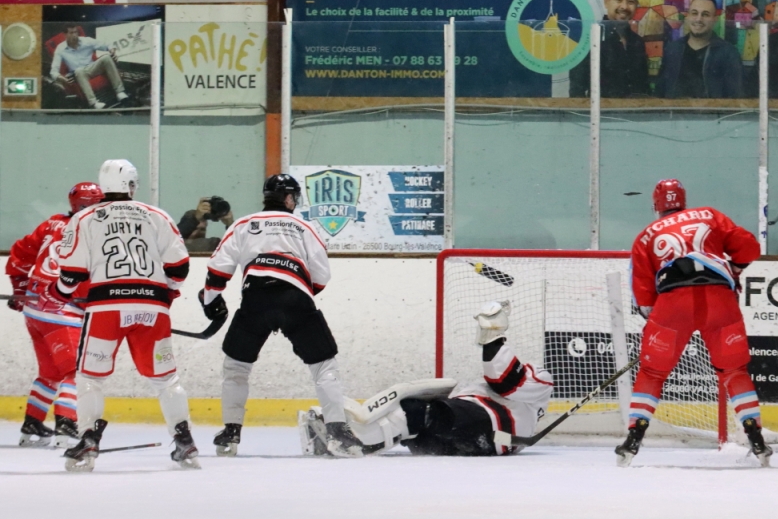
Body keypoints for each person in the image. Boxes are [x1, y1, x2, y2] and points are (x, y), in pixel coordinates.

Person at [202, 173, 364, 458]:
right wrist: (298, 294)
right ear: (289, 198)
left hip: (255, 298)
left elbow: (218, 269)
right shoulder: (303, 226)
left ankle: (230, 432)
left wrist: (211, 300)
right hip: (295, 297)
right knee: (323, 365)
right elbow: (322, 275)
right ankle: (338, 432)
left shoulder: (244, 224)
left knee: (236, 367)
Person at [50, 159, 198, 472]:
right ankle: (185, 441)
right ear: (131, 185)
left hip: (106, 307)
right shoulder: (157, 215)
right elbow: (179, 268)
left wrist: (61, 292)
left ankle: (88, 438)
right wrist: (164, 295)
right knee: (166, 379)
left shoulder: (85, 217)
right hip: (152, 307)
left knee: (90, 377)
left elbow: (72, 273)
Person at [616, 179, 771, 467]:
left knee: (652, 373)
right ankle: (756, 436)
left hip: (673, 305)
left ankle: (633, 438)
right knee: (734, 371)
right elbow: (749, 247)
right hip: (719, 300)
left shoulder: (645, 237)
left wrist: (657, 325)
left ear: (656, 205)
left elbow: (644, 297)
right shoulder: (710, 215)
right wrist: (735, 267)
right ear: (683, 200)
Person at [299, 301, 554, 457]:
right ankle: (338, 439)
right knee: (417, 426)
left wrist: (493, 333)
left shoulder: (541, 380)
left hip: (493, 429)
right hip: (481, 439)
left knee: (419, 412)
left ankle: (354, 443)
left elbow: (504, 379)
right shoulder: (507, 395)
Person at [5, 182, 104, 448]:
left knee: (49, 371)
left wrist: (20, 288)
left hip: (35, 310)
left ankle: (33, 423)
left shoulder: (52, 224)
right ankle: (67, 424)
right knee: (76, 371)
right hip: (63, 313)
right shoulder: (93, 232)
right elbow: (85, 279)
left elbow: (21, 252)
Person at [655, 0, 743, 99]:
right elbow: (659, 93)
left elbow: (737, 97)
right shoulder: (673, 50)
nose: (699, 19)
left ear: (715, 20)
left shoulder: (728, 53)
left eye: (705, 14)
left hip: (714, 114)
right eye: (694, 13)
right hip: (675, 114)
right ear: (687, 17)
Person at [569, 0, 649, 98]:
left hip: (634, 113)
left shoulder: (637, 42)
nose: (624, 7)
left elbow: (643, 88)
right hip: (599, 113)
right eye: (618, 0)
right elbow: (577, 91)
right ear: (607, 2)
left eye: (630, 1)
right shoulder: (589, 38)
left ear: (636, 5)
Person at [50, 24, 128, 110]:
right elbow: (53, 71)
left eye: (75, 32)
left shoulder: (86, 41)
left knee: (106, 58)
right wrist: (62, 78)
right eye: (71, 33)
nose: (74, 35)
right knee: (79, 71)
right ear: (65, 35)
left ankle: (120, 92)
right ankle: (94, 103)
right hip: (79, 74)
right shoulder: (60, 49)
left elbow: (107, 45)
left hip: (93, 67)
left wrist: (112, 50)